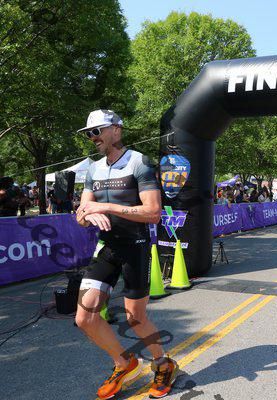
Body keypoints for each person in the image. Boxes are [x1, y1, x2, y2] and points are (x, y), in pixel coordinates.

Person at [74, 110, 177, 399]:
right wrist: (87, 216)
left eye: (97, 131)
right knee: (84, 317)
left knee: (136, 318)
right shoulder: (93, 169)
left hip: (135, 246)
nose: (92, 137)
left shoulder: (139, 162)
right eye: (88, 133)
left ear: (116, 130)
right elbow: (81, 215)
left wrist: (105, 207)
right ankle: (124, 362)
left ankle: (163, 363)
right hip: (108, 247)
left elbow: (153, 213)